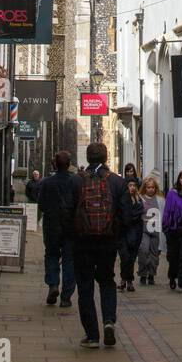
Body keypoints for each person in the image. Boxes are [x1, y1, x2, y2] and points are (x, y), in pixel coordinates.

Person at [71, 141, 132, 349]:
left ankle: (92, 335)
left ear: (88, 158)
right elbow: (126, 215)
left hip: (82, 242)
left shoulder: (77, 181)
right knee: (107, 281)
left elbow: (68, 213)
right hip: (107, 242)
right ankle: (108, 321)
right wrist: (116, 238)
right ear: (106, 157)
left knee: (85, 286)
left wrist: (72, 237)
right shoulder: (117, 182)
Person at [37, 151, 77, 309]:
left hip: (52, 226)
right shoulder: (75, 182)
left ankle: (53, 284)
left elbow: (41, 204)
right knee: (69, 260)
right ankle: (66, 297)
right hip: (70, 227)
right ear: (69, 164)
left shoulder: (47, 182)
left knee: (52, 255)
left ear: (55, 164)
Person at [118, 179, 144, 291]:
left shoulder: (139, 201)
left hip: (135, 232)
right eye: (130, 185)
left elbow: (137, 214)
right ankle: (125, 279)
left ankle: (127, 281)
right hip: (123, 232)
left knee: (131, 258)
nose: (132, 187)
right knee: (125, 257)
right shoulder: (122, 200)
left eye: (134, 185)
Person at [137, 175, 164, 285]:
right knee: (143, 251)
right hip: (144, 230)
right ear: (145, 188)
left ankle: (152, 274)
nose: (151, 189)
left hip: (156, 231)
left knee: (154, 254)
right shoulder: (140, 199)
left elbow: (164, 214)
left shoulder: (160, 200)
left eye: (153, 187)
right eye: (148, 187)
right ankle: (143, 274)